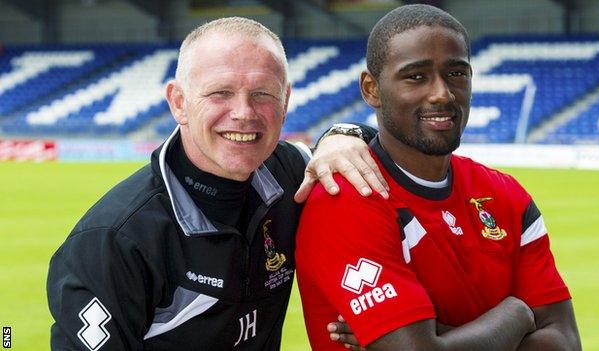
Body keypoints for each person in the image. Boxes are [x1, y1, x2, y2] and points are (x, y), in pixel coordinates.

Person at [46, 17, 387, 351]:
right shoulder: (115, 240)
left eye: (262, 94)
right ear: (179, 102)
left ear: (285, 103)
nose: (244, 112)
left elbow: (382, 149)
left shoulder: (293, 173)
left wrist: (343, 135)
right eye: (221, 93)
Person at [296, 4, 581, 351]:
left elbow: (563, 341)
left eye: (456, 74)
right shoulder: (345, 200)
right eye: (416, 76)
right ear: (371, 89)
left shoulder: (506, 195)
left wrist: (441, 334)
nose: (442, 94)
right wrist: (516, 315)